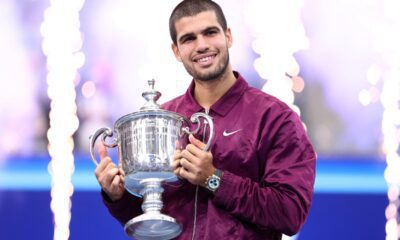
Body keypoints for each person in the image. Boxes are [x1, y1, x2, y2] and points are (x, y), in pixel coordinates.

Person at [94, 0, 316, 239]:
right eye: (189, 39)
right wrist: (117, 197)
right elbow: (152, 223)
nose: (202, 45)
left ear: (228, 36)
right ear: (176, 51)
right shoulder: (165, 119)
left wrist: (213, 179)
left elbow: (290, 213)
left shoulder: (275, 118)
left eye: (210, 33)